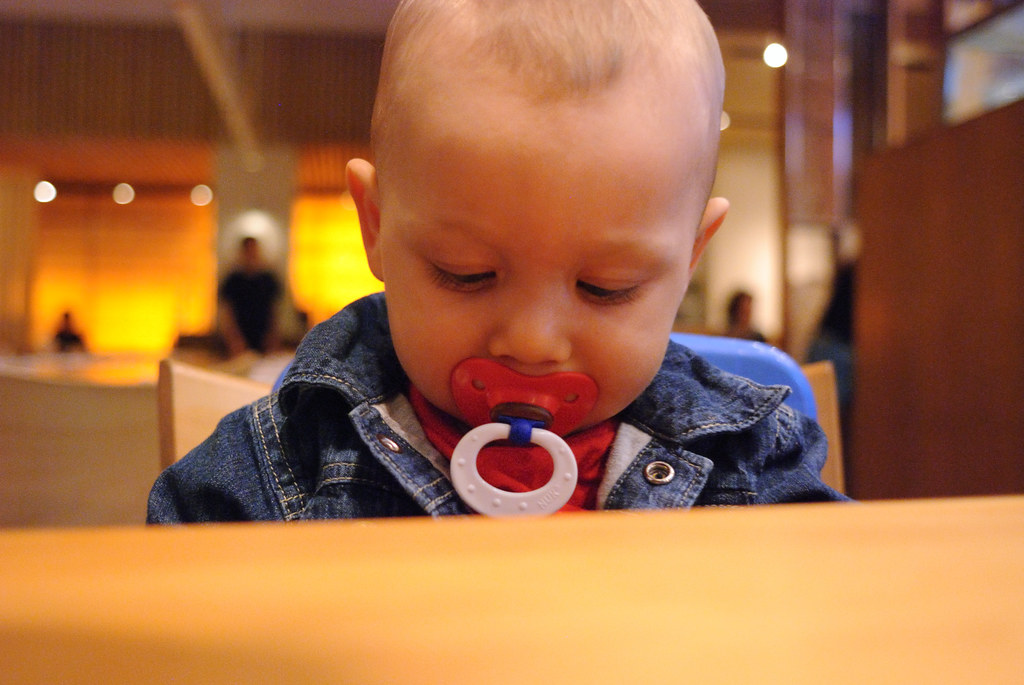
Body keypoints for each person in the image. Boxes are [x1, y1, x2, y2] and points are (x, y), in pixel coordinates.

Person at [149, 0, 847, 523]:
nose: (532, 341)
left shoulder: (751, 461)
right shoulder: (292, 458)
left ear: (692, 256)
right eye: (466, 272)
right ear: (376, 225)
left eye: (607, 287)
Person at [218, 236, 282, 356]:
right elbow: (228, 312)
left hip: (263, 338)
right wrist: (233, 339)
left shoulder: (268, 279)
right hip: (240, 338)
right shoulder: (233, 280)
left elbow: (274, 310)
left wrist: (273, 337)